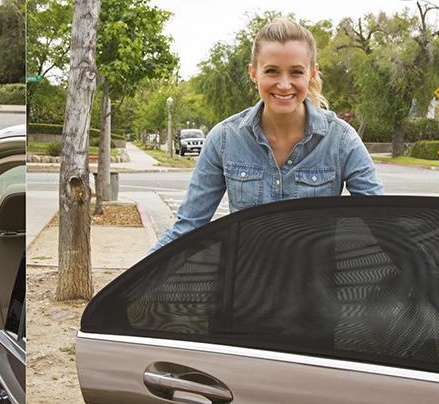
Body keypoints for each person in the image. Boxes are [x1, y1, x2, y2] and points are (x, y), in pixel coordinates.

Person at [150, 17, 383, 252]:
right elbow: (188, 227)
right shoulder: (223, 139)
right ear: (254, 72)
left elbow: (383, 224)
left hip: (315, 287)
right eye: (272, 71)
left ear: (312, 73)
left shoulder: (341, 140)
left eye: (296, 72)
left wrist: (418, 271)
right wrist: (131, 282)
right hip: (247, 286)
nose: (284, 84)